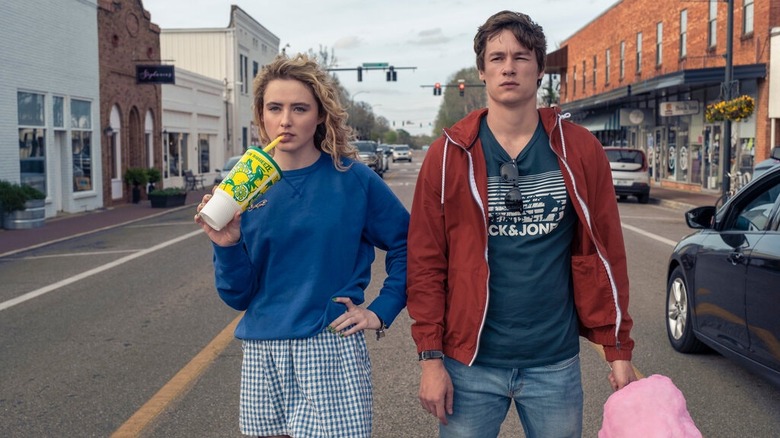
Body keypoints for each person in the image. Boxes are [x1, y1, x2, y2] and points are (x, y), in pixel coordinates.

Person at [406, 10, 638, 438]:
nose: (508, 67)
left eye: (521, 56)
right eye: (496, 58)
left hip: (553, 361)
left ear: (540, 68)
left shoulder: (579, 150)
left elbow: (606, 253)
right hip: (468, 362)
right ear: (482, 71)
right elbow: (425, 263)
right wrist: (431, 359)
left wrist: (618, 348)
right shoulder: (448, 154)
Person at [195, 53, 409, 438]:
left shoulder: (352, 179)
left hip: (328, 347)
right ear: (261, 115)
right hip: (263, 352)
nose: (286, 120)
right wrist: (227, 245)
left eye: (300, 108)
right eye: (274, 108)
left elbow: (409, 244)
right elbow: (237, 295)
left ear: (320, 115)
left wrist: (382, 309)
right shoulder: (242, 186)